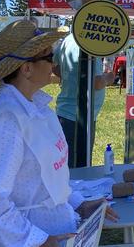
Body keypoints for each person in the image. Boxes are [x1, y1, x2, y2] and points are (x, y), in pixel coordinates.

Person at [0, 20, 118, 246]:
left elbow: (46, 178)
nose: (54, 62)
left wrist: (78, 203)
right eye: (48, 57)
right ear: (26, 69)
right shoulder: (7, 121)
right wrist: (36, 240)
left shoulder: (35, 107)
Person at [53, 33, 115, 168]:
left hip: (66, 111)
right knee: (80, 167)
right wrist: (108, 78)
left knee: (67, 162)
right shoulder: (89, 43)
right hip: (80, 116)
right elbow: (96, 83)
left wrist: (70, 77)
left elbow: (55, 67)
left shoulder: (67, 40)